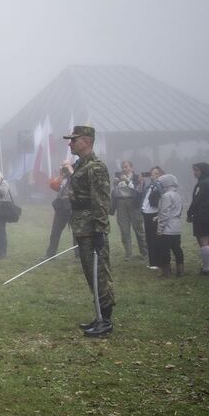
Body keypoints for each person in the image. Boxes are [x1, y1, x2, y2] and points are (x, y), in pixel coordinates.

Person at [64, 126, 114, 337]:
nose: (70, 143)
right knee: (90, 273)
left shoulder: (95, 167)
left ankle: (106, 321)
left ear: (86, 141)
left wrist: (100, 230)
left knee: (100, 274)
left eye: (74, 140)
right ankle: (99, 316)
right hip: (82, 228)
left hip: (93, 229)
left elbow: (101, 200)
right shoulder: (82, 165)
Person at [111, 160, 147, 261]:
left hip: (133, 203)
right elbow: (114, 193)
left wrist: (127, 181)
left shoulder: (136, 177)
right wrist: (115, 185)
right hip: (121, 203)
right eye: (123, 167)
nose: (124, 169)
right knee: (124, 230)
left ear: (131, 167)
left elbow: (139, 190)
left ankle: (144, 252)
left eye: (126, 167)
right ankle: (128, 253)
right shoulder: (118, 179)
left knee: (138, 228)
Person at [155, 173, 184, 277]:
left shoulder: (166, 196)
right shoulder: (177, 195)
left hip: (167, 229)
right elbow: (179, 211)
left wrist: (159, 229)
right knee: (177, 249)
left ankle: (166, 272)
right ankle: (180, 270)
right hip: (176, 228)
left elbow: (165, 214)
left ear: (165, 184)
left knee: (165, 250)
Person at [137, 166, 164, 270]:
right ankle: (153, 262)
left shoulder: (161, 184)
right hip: (146, 213)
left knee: (155, 238)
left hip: (155, 214)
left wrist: (156, 181)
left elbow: (161, 194)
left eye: (156, 173)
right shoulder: (149, 185)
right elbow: (140, 196)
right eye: (152, 173)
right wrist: (141, 183)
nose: (153, 175)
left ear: (160, 175)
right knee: (149, 238)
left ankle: (159, 262)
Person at [45, 160, 74, 258]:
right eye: (63, 166)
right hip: (61, 207)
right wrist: (61, 173)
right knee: (55, 231)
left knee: (76, 232)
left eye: (66, 165)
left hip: (72, 206)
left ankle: (79, 256)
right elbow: (52, 185)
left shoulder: (75, 175)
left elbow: (78, 183)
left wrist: (71, 171)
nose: (64, 167)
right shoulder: (63, 177)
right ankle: (50, 254)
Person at [186, 162, 209, 275]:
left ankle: (206, 269)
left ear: (203, 171)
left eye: (196, 170)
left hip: (201, 216)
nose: (194, 173)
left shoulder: (201, 184)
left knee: (203, 242)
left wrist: (189, 213)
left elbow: (196, 201)